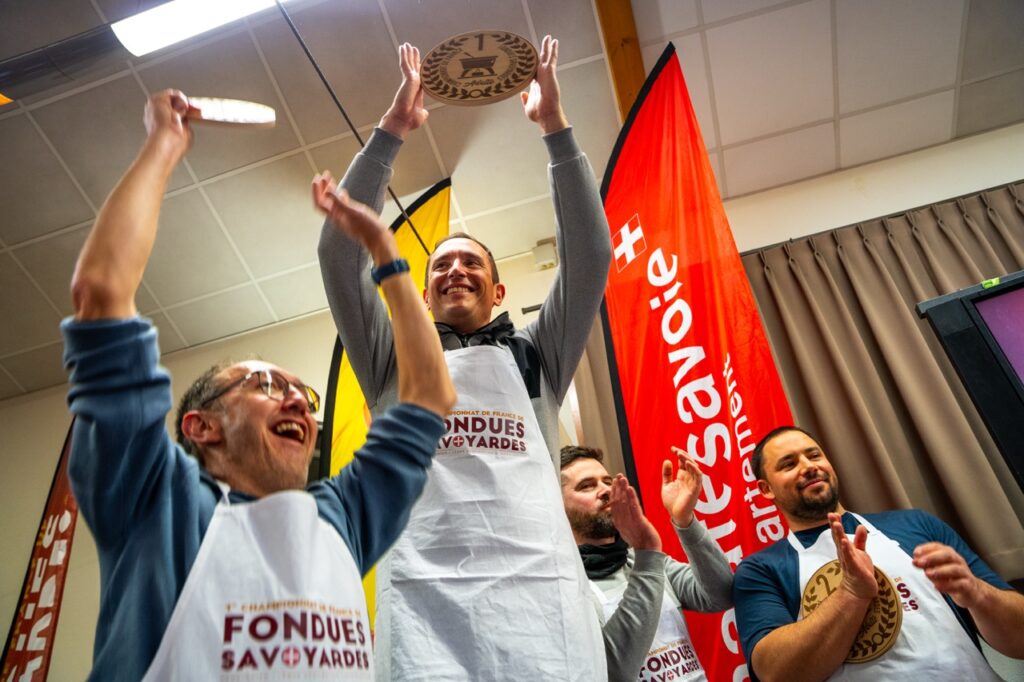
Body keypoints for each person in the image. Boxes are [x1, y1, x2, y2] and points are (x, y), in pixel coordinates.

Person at [64, 89, 455, 680]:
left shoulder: (343, 514)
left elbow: (428, 397)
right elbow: (101, 293)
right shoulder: (154, 497)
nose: (298, 398)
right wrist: (164, 143)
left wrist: (385, 251)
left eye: (304, 394)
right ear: (202, 427)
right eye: (265, 384)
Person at [317, 37, 613, 680]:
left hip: (541, 596)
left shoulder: (539, 354)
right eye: (441, 265)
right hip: (427, 602)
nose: (455, 270)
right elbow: (337, 256)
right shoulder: (391, 360)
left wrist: (556, 130)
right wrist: (391, 133)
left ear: (498, 289)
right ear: (422, 294)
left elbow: (590, 258)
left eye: (470, 262)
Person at [733, 426, 1024, 682]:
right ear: (766, 490)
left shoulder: (915, 524)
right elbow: (775, 674)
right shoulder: (761, 569)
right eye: (789, 464)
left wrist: (977, 594)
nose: (809, 466)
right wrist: (851, 594)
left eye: (814, 455)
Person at [560, 445, 734, 681]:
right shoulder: (565, 587)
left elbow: (721, 594)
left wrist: (684, 520)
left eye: (607, 481)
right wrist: (647, 553)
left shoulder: (644, 561)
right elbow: (614, 672)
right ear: (557, 506)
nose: (605, 491)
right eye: (587, 486)